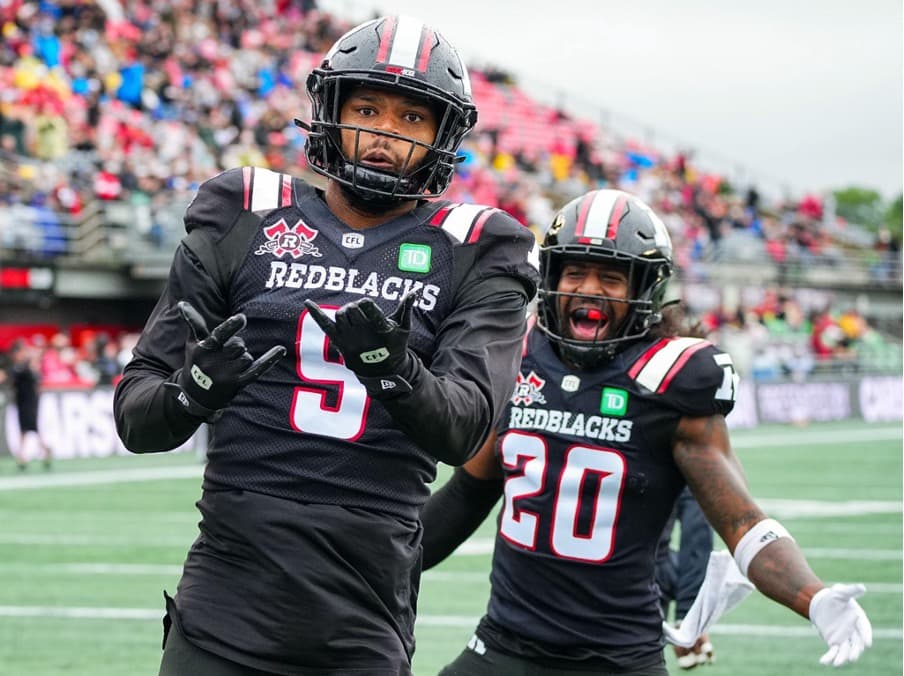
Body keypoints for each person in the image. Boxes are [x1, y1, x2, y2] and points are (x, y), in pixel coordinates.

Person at [113, 15, 538, 676]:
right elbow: (136, 418)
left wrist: (392, 367)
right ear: (330, 112)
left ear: (441, 138)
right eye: (367, 108)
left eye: (411, 119)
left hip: (361, 612)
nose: (383, 134)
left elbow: (462, 431)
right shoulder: (243, 212)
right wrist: (193, 389)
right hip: (226, 595)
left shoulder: (478, 247)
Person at [420, 189, 872, 675]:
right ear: (550, 277)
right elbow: (468, 492)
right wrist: (367, 556)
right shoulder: (522, 356)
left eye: (610, 277)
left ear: (644, 289)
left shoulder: (669, 379)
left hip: (617, 659)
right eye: (574, 271)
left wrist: (813, 596)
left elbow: (743, 522)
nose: (588, 288)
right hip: (505, 646)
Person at [656, 487, 715, 670]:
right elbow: (697, 524)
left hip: (569, 595)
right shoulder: (661, 457)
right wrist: (688, 611)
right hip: (638, 589)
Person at [8, 341, 53, 470]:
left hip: (29, 402)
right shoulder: (20, 367)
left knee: (30, 428)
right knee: (26, 428)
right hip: (22, 402)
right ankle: (37, 453)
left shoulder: (26, 367)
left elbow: (35, 382)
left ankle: (32, 454)